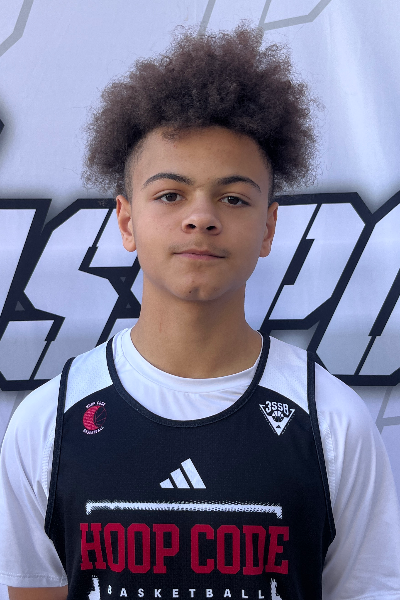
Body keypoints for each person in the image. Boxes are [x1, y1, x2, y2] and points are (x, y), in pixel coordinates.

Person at [1, 25, 399, 600]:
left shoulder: (333, 422)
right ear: (126, 220)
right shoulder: (49, 422)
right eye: (170, 194)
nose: (201, 218)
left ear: (268, 227)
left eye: (233, 198)